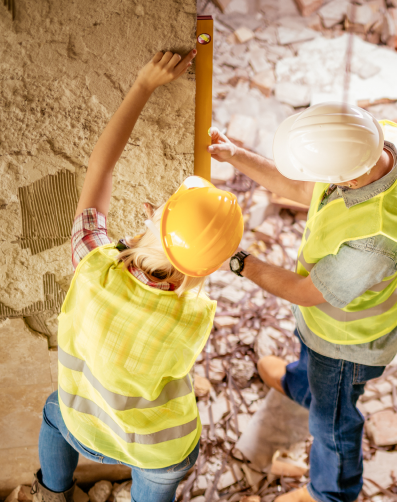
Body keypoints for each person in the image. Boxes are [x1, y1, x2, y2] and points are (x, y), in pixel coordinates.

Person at [33, 51, 243, 502]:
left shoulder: (92, 265)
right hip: (161, 449)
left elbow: (100, 169)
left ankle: (53, 493)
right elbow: (184, 272)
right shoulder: (195, 312)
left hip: (83, 422)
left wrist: (142, 86)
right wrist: (160, 237)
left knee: (53, 416)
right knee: (159, 479)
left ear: (153, 220)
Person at [210, 103, 397, 502]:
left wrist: (237, 259)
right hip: (327, 323)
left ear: (349, 176)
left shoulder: (374, 240)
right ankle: (302, 384)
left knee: (333, 422)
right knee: (313, 364)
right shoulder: (387, 142)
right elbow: (300, 189)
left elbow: (303, 292)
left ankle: (331, 491)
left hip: (348, 341)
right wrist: (234, 154)